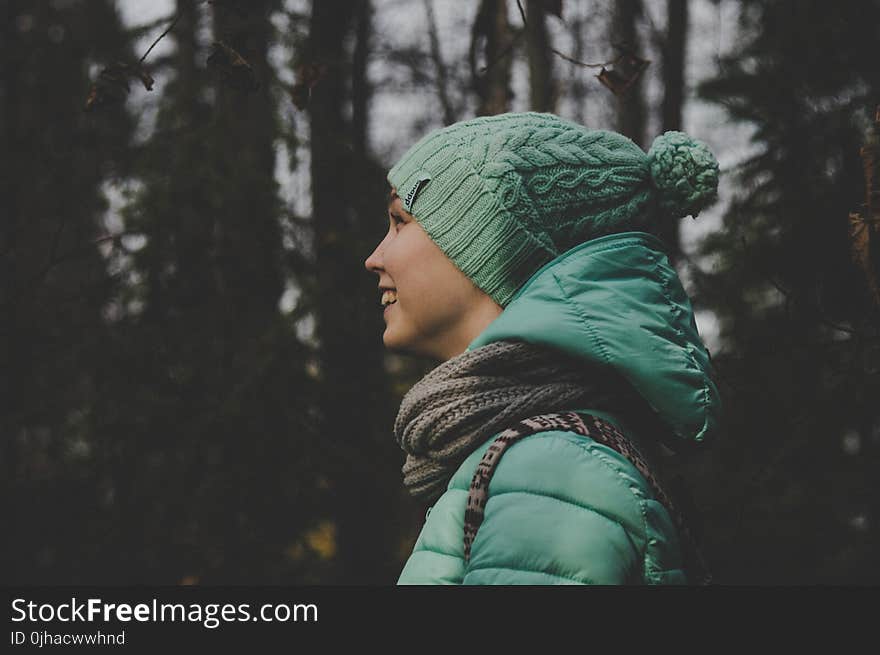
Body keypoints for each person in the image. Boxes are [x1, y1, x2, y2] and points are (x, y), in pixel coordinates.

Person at [364, 111, 722, 585]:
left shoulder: (550, 469)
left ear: (487, 245)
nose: (374, 258)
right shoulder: (532, 457)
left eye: (399, 221)